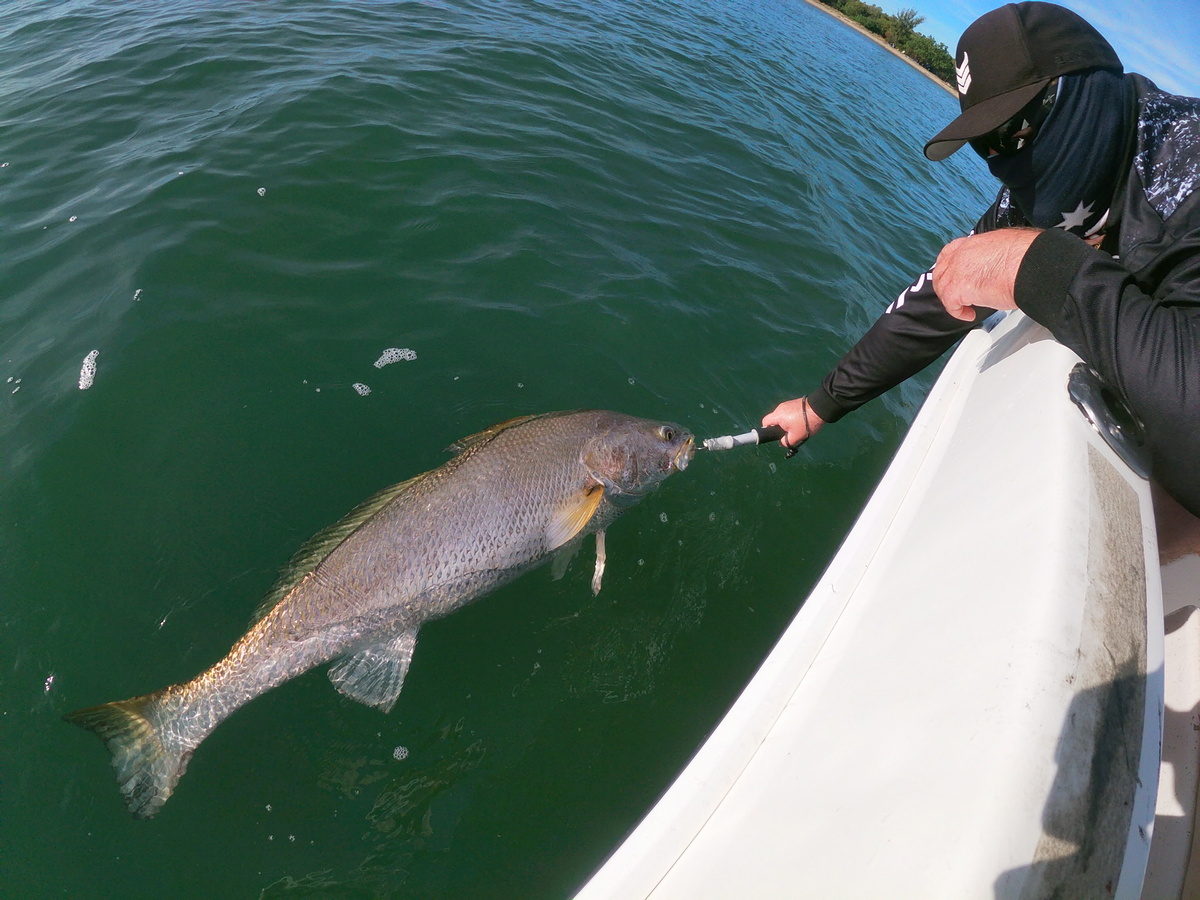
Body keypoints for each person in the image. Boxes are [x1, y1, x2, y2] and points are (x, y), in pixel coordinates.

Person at [762, 1, 1200, 539]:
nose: (1003, 163)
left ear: (1087, 88)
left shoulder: (1187, 164)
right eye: (984, 145)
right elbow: (936, 299)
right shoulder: (1038, 200)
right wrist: (819, 405)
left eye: (1014, 132)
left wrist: (1038, 267)